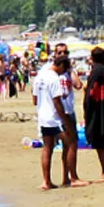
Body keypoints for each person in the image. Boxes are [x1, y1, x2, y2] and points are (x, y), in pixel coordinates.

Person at [34, 53, 85, 190]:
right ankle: (72, 178)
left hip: (43, 117)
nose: (63, 73)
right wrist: (64, 120)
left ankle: (46, 181)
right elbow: (57, 101)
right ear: (61, 65)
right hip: (55, 118)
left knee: (47, 148)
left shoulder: (40, 76)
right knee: (71, 143)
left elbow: (35, 99)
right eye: (64, 70)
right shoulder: (54, 78)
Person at [84, 48, 104, 182]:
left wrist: (86, 111)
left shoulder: (96, 72)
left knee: (101, 141)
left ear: (92, 58)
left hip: (99, 110)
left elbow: (91, 93)